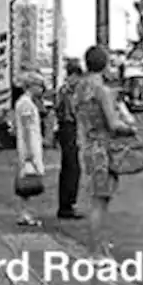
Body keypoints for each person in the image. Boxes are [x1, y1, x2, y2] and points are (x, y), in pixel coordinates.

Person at [74, 45, 136, 257]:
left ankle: (99, 247)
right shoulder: (102, 90)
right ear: (104, 64)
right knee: (100, 203)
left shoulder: (80, 88)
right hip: (104, 148)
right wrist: (130, 128)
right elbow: (113, 123)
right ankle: (96, 253)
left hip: (89, 146)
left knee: (97, 200)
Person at [14, 73, 48, 226]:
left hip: (26, 146)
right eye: (39, 86)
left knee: (26, 181)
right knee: (28, 181)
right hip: (29, 147)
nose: (42, 89)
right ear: (31, 86)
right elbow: (27, 128)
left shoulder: (23, 103)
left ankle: (25, 213)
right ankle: (25, 213)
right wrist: (30, 153)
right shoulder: (27, 105)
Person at [55, 60, 85, 220]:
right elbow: (73, 110)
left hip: (68, 129)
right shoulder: (67, 91)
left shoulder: (66, 90)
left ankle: (66, 204)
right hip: (68, 128)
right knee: (72, 167)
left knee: (70, 167)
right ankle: (67, 205)